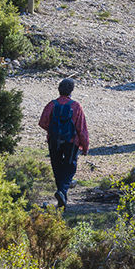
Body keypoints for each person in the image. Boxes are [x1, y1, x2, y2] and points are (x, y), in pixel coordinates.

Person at [38, 78, 89, 210]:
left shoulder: (51, 104)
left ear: (59, 89)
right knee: (70, 168)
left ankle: (62, 199)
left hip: (54, 141)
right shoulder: (76, 106)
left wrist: (53, 131)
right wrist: (85, 146)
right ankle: (62, 192)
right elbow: (81, 128)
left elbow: (42, 122)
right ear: (71, 90)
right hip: (71, 142)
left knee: (57, 168)